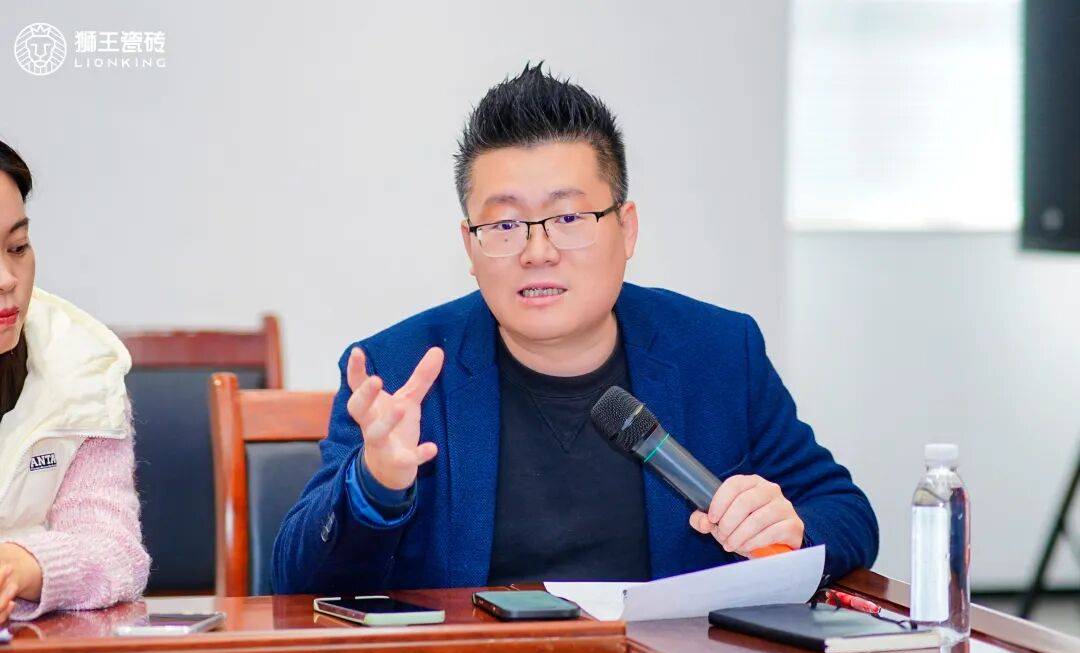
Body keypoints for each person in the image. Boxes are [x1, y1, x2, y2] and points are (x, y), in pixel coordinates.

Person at [273, 64, 877, 594]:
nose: (537, 251)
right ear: (470, 245)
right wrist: (375, 485)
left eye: (567, 217)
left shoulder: (716, 352)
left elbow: (846, 513)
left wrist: (790, 530)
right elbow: (294, 585)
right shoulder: (399, 371)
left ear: (627, 229)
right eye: (505, 225)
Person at [0, 139, 150, 622]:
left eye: (17, 248)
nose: (7, 279)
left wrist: (23, 566)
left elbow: (115, 551)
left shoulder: (81, 365)